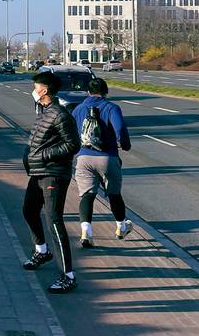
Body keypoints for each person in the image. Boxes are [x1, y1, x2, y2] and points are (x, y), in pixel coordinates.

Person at [22, 71, 80, 293]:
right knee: (28, 211)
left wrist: (44, 155)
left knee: (54, 220)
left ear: (44, 90)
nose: (34, 90)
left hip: (53, 174)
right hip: (38, 173)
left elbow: (73, 144)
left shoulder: (60, 114)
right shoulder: (45, 112)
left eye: (36, 87)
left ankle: (68, 275)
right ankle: (42, 251)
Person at [72, 78, 132, 248]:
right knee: (114, 193)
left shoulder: (78, 109)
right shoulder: (112, 108)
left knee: (87, 195)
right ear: (106, 91)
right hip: (108, 157)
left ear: (88, 92)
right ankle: (121, 227)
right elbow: (119, 128)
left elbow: (72, 131)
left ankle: (86, 232)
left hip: (84, 158)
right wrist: (125, 144)